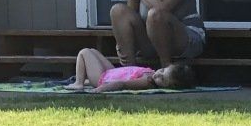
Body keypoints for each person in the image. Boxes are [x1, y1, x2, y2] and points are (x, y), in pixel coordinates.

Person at [66, 46, 195, 92]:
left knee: (84, 53)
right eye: (162, 71)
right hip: (111, 72)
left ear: (168, 86)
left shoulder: (146, 81)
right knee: (93, 51)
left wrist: (100, 89)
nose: (158, 75)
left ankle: (78, 83)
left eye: (162, 79)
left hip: (103, 79)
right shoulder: (151, 75)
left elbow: (123, 84)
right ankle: (84, 79)